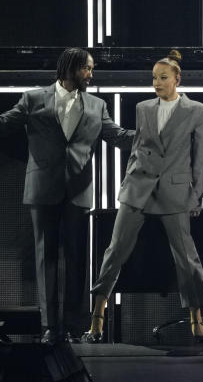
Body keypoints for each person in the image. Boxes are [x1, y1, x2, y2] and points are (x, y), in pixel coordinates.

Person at [0, 48, 133, 343]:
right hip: (42, 187)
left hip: (79, 190)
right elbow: (6, 122)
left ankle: (74, 326)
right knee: (44, 258)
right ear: (71, 68)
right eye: (87, 68)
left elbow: (118, 136)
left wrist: (156, 134)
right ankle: (51, 327)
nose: (91, 74)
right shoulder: (33, 98)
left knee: (77, 260)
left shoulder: (97, 105)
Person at [82, 51, 203, 343]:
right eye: (154, 77)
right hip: (138, 186)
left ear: (178, 79)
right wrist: (130, 179)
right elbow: (139, 145)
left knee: (187, 258)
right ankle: (97, 315)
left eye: (163, 77)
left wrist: (195, 197)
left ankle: (196, 316)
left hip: (175, 190)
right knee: (115, 251)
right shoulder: (143, 108)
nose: (156, 82)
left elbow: (200, 160)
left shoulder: (198, 111)